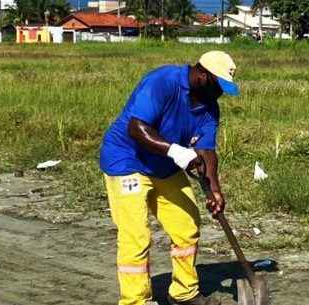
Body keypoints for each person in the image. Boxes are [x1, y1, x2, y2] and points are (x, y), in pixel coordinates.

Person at [99, 51, 239, 305]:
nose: (220, 94)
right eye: (219, 86)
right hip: (126, 161)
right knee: (136, 236)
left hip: (165, 166)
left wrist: (214, 189)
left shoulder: (210, 108)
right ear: (202, 75)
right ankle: (135, 301)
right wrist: (176, 151)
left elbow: (207, 151)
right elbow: (137, 128)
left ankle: (184, 293)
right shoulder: (163, 81)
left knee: (187, 226)